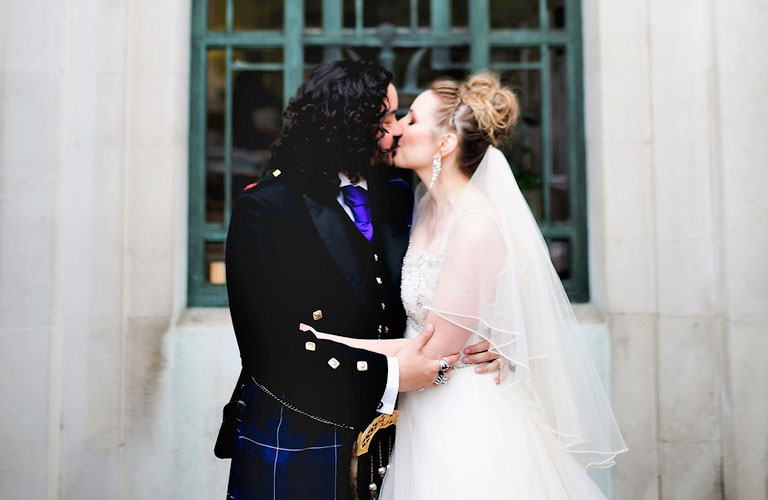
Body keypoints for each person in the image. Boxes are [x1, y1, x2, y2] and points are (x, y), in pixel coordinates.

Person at [311, 73, 628, 498]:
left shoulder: (475, 224)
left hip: (462, 416)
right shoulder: (423, 207)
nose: (398, 128)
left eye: (411, 119)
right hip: (417, 410)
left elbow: (434, 351)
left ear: (444, 144)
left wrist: (325, 343)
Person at [219, 60, 497, 500]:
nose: (396, 129)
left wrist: (484, 341)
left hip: (398, 433)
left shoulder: (401, 191)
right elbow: (269, 349)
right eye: (386, 117)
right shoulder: (268, 208)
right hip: (301, 424)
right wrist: (391, 373)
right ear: (348, 124)